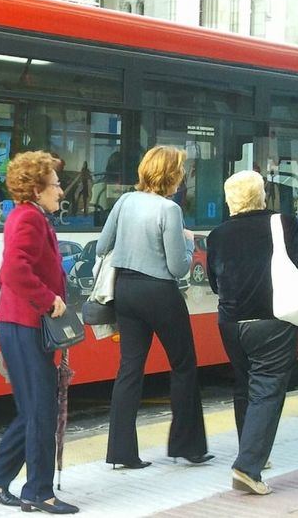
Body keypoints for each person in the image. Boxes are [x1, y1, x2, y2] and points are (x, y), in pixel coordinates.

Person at [207, 170, 298, 495]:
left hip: (230, 323)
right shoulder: (282, 223)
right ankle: (248, 467)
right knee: (268, 389)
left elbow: (215, 283)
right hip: (271, 320)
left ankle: (252, 451)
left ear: (230, 200)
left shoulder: (218, 235)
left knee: (245, 384)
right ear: (262, 195)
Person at [0, 151, 79, 515]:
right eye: (54, 184)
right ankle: (38, 493)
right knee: (41, 411)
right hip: (24, 325)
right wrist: (48, 299)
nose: (61, 191)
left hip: (20, 324)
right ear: (37, 189)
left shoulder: (28, 216)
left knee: (35, 409)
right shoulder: (29, 220)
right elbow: (15, 273)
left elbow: (9, 274)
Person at [97, 145, 211, 469]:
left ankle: (121, 453)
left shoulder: (125, 201)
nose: (184, 178)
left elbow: (103, 245)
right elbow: (178, 268)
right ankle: (186, 446)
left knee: (130, 369)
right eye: (181, 172)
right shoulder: (169, 210)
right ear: (171, 175)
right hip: (159, 292)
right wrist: (188, 243)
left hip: (126, 291)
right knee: (184, 364)